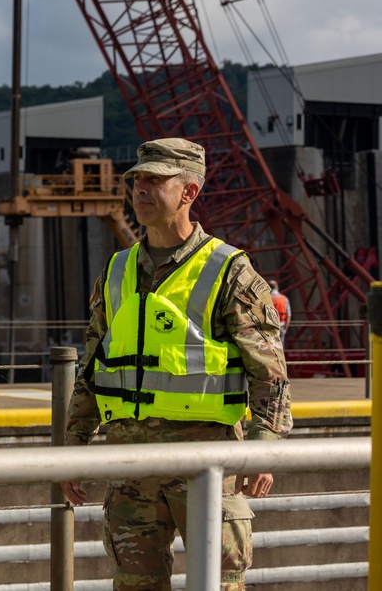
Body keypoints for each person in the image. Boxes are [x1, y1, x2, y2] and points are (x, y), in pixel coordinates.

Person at [61, 138, 293, 591]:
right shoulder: (116, 270)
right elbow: (93, 366)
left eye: (155, 180)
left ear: (189, 192)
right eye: (137, 181)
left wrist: (264, 449)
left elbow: (270, 374)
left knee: (221, 583)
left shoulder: (229, 271)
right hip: (131, 465)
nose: (140, 190)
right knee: (134, 584)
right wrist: (75, 444)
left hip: (207, 463)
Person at [267, 279, 291, 349]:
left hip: (269, 326)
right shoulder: (284, 299)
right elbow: (288, 315)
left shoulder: (266, 298)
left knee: (270, 348)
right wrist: (286, 328)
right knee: (280, 347)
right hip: (281, 326)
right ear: (277, 287)